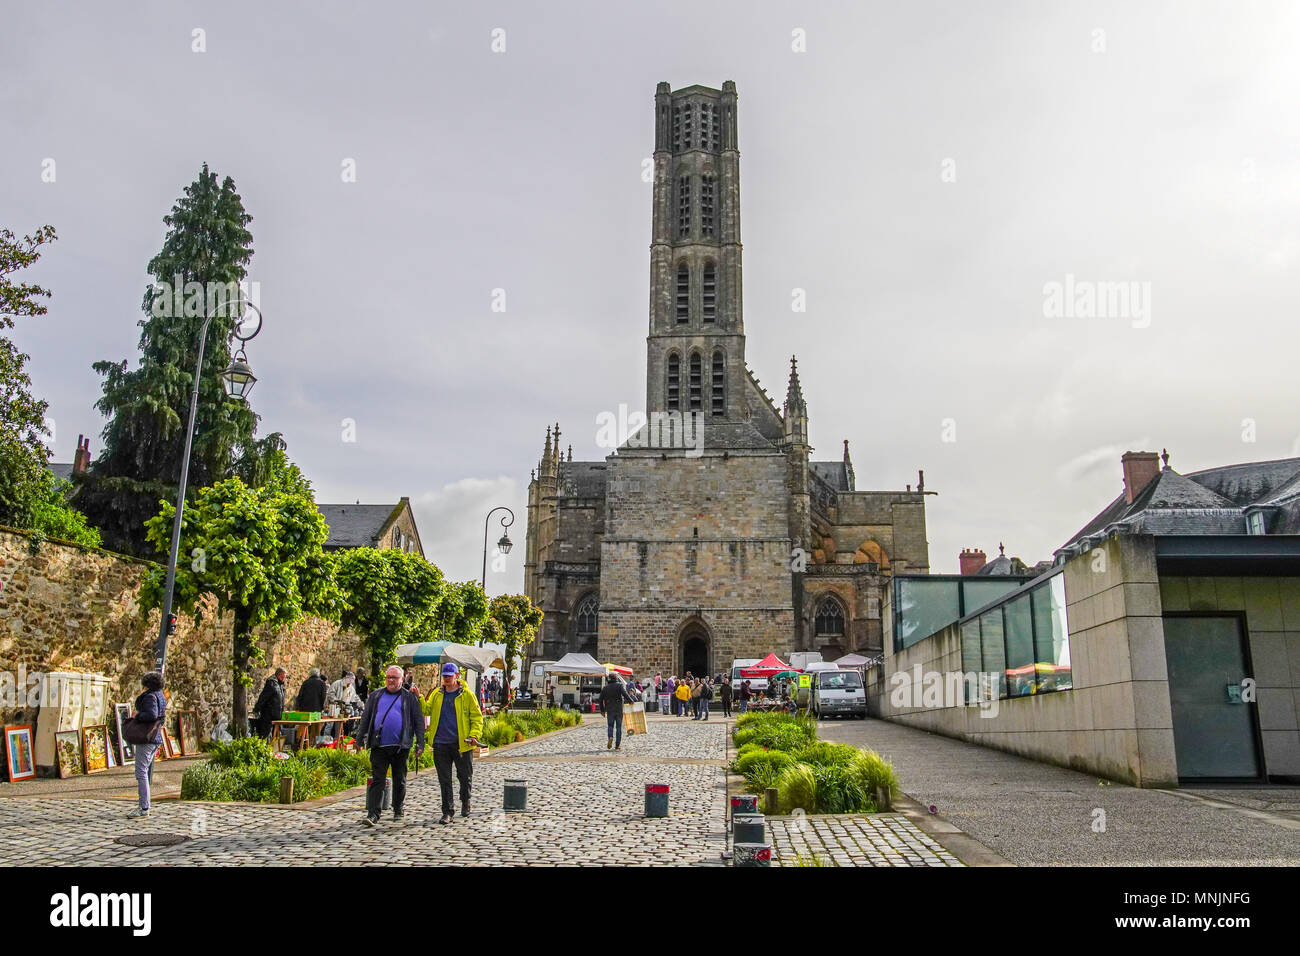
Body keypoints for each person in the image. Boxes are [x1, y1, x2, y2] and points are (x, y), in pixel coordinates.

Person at [354, 665, 427, 827]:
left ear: (402, 680)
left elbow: (418, 722)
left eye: (394, 678)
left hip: (401, 746)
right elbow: (366, 719)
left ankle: (398, 808)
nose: (391, 681)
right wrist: (360, 740)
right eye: (388, 677)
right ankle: (373, 814)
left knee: (399, 779)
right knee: (377, 779)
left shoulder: (409, 698)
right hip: (379, 745)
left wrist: (420, 743)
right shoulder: (376, 695)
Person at [426, 663, 484, 825]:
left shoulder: (467, 695)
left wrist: (474, 735)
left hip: (462, 744)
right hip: (441, 743)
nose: (446, 678)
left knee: (464, 777)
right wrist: (417, 697)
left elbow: (477, 718)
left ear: (457, 676)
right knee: (444, 779)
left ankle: (466, 800)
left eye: (449, 676)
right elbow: (426, 710)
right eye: (444, 676)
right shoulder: (437, 694)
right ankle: (447, 811)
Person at [127, 671, 166, 819]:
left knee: (141, 772)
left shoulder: (150, 696)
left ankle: (144, 807)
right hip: (155, 738)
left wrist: (137, 716)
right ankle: (145, 804)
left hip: (147, 738)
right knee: (144, 771)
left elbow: (151, 714)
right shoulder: (160, 695)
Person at [599, 672, 633, 751]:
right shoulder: (619, 686)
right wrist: (631, 701)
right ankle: (617, 745)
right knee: (618, 727)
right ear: (616, 678)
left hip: (610, 709)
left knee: (610, 726)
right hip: (618, 709)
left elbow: (600, 700)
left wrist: (602, 711)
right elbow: (625, 694)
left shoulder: (605, 688)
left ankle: (610, 737)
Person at [253, 667, 287, 739]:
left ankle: (274, 750)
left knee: (276, 736)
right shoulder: (271, 683)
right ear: (279, 675)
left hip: (277, 715)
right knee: (265, 734)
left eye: (284, 677)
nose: (284, 678)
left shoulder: (280, 684)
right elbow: (263, 697)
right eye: (283, 676)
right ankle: (263, 749)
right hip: (268, 715)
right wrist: (257, 709)